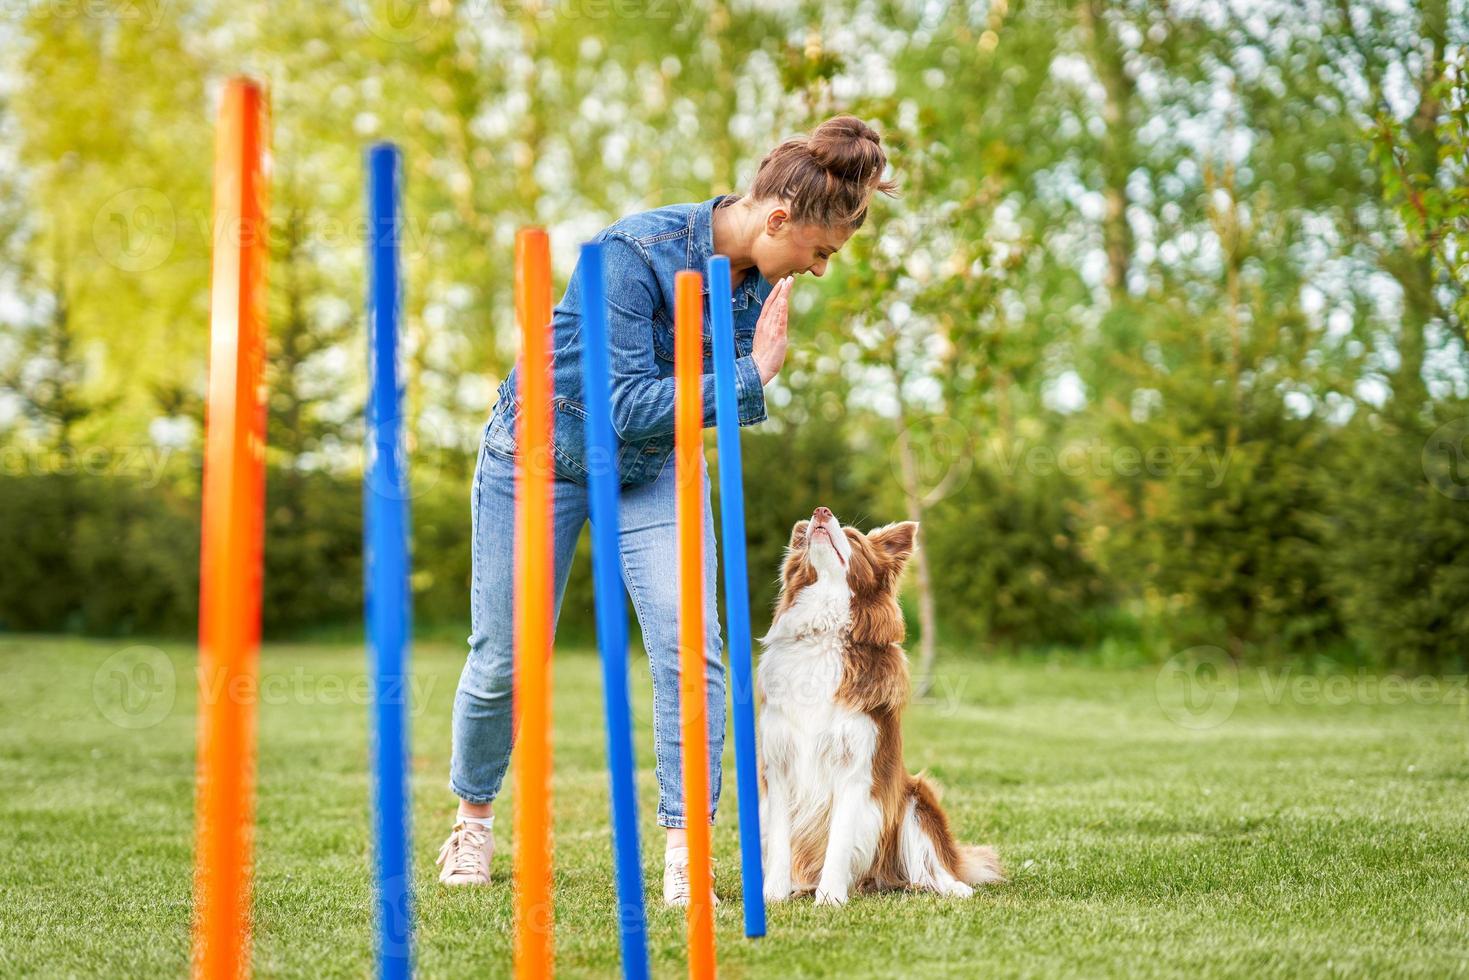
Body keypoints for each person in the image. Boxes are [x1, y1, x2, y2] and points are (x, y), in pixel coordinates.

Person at [437, 114, 897, 905]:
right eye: (820, 253)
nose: (818, 271)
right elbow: (623, 405)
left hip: (655, 469)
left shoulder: (761, 278)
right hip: (539, 458)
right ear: (778, 218)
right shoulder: (630, 254)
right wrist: (750, 378)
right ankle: (471, 822)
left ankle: (686, 849)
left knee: (694, 653)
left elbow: (673, 416)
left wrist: (741, 380)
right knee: (505, 661)